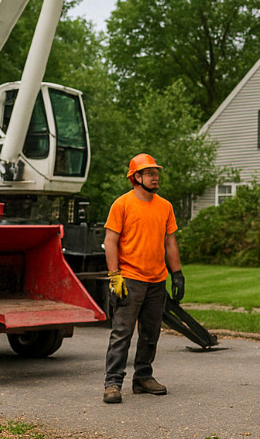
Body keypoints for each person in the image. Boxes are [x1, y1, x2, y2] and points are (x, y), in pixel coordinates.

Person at [103, 153, 185, 405]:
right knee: (122, 333)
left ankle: (143, 377)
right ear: (136, 177)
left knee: (151, 333)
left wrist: (177, 274)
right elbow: (110, 241)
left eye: (156, 173)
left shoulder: (165, 206)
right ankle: (113, 383)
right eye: (150, 174)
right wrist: (114, 275)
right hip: (130, 279)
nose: (155, 177)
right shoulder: (122, 204)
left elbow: (170, 242)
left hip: (156, 281)